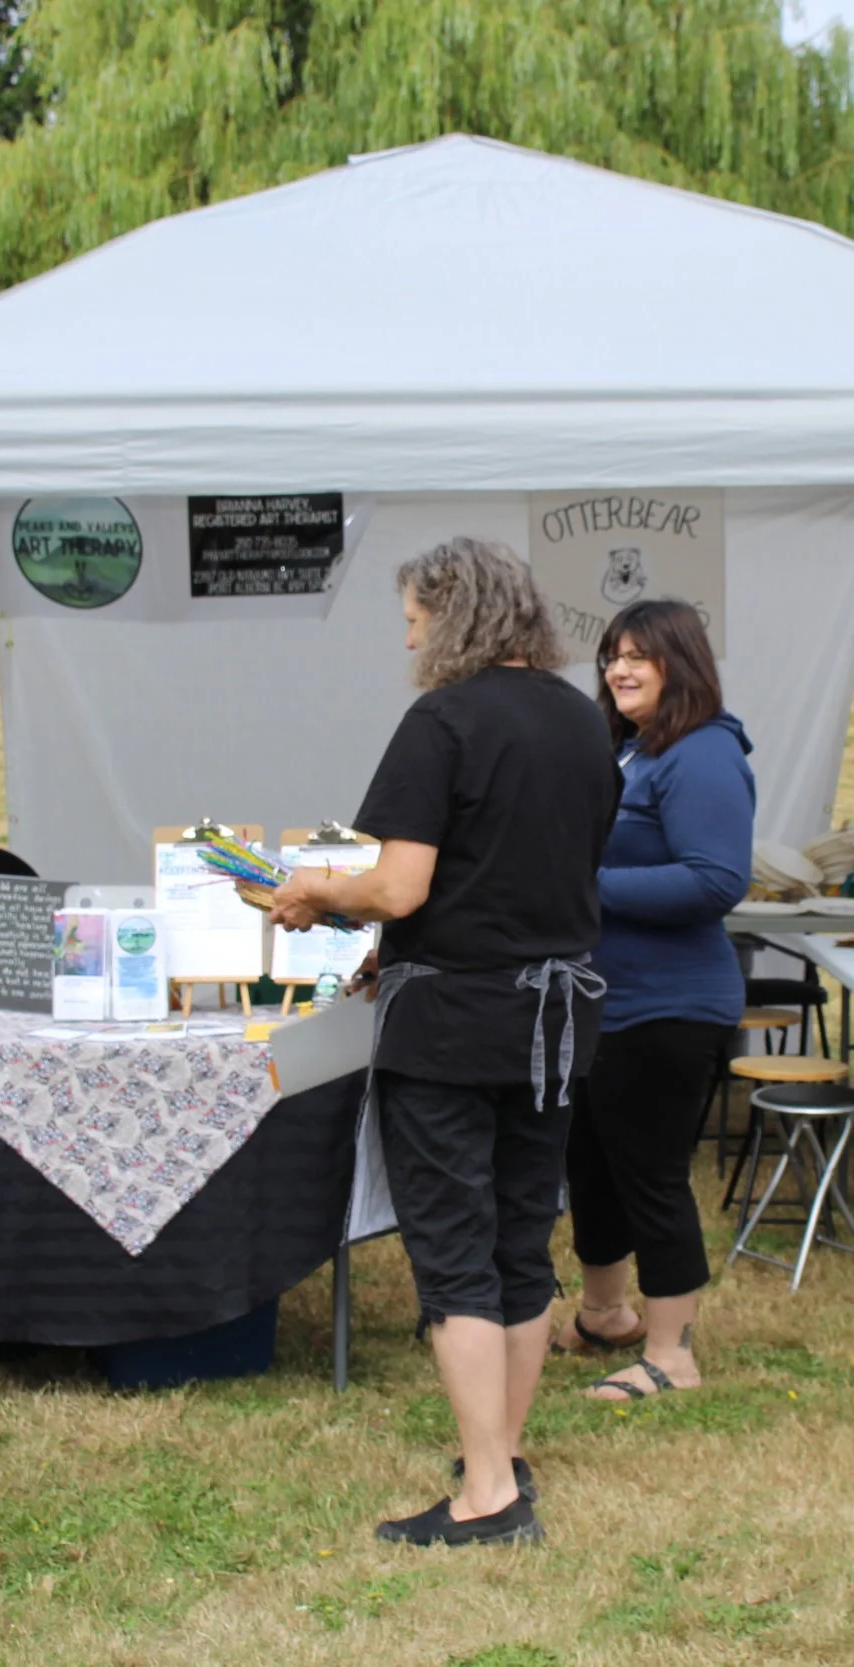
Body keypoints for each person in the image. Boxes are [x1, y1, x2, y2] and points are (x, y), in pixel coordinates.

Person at [269, 536, 619, 1547]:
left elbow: (401, 886)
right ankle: (496, 1453)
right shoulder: (579, 720)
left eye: (416, 610)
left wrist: (315, 891)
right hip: (553, 1027)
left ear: (455, 610)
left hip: (454, 1028)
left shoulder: (443, 720)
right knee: (518, 1242)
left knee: (457, 1254)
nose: (409, 629)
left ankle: (486, 1497)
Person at [557, 600, 754, 1401]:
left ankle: (672, 1354)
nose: (620, 668)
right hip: (608, 1002)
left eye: (641, 655)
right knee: (592, 1166)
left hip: (670, 1008)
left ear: (683, 663)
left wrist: (581, 890)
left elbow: (716, 880)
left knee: (651, 1176)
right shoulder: (634, 751)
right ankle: (606, 1314)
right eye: (611, 654)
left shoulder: (704, 753)